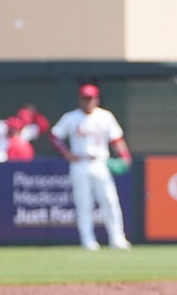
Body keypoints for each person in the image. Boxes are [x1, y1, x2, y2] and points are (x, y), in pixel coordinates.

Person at [49, 84, 133, 251]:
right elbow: (54, 136)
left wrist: (125, 156)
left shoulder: (105, 116)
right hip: (80, 163)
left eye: (91, 98)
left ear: (97, 99)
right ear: (80, 99)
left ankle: (117, 238)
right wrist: (67, 154)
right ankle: (88, 240)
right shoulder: (71, 118)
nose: (88, 101)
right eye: (85, 98)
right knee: (84, 203)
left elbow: (116, 139)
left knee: (110, 201)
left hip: (100, 162)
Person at [0, 95, 49, 161]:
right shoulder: (3, 126)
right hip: (0, 158)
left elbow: (44, 127)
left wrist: (35, 114)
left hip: (19, 159)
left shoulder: (28, 130)